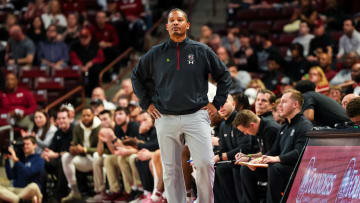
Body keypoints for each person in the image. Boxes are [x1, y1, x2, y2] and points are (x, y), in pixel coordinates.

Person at [131, 8, 231, 203]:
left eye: (180, 19)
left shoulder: (201, 50)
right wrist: (146, 103)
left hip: (196, 115)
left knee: (204, 164)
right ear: (167, 26)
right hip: (165, 117)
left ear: (187, 25)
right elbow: (136, 76)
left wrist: (216, 103)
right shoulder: (156, 52)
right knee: (171, 169)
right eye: (172, 20)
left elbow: (224, 75)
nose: (175, 22)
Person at [240, 89, 313, 203]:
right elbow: (274, 150)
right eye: (280, 102)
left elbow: (299, 153)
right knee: (247, 169)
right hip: (280, 167)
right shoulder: (284, 127)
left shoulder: (304, 125)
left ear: (295, 104)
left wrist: (276, 159)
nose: (280, 105)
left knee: (275, 168)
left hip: (296, 169)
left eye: (284, 102)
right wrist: (258, 160)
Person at [61, 108, 101, 202]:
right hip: (84, 159)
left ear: (93, 116)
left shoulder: (99, 127)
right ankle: (75, 191)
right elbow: (74, 143)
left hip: (96, 158)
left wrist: (85, 149)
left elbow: (102, 150)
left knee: (97, 156)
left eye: (88, 115)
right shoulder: (78, 127)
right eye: (83, 115)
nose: (86, 118)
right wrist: (73, 149)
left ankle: (100, 192)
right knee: (66, 157)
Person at [41, 108, 73, 200]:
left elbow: (71, 151)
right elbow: (51, 148)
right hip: (56, 159)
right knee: (41, 162)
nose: (61, 121)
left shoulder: (73, 130)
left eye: (64, 118)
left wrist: (55, 155)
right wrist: (46, 154)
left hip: (69, 160)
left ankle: (60, 195)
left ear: (69, 119)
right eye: (59, 118)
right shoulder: (58, 132)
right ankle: (43, 195)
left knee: (61, 162)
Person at [70, 29, 105, 96]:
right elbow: (73, 57)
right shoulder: (74, 46)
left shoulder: (95, 45)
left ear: (90, 37)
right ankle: (79, 95)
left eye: (86, 37)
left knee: (96, 69)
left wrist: (92, 62)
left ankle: (95, 92)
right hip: (80, 68)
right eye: (82, 37)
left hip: (92, 69)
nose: (84, 39)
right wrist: (80, 65)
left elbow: (100, 57)